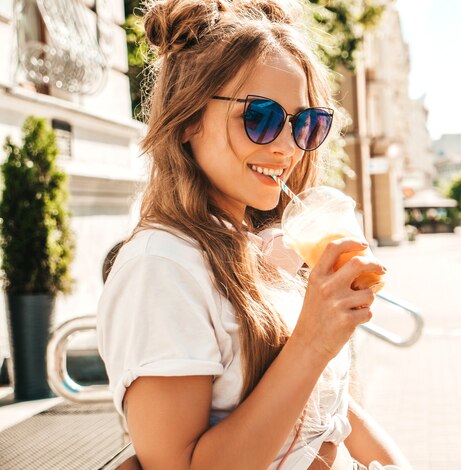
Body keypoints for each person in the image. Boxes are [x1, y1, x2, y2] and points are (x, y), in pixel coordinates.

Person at [97, 0, 411, 468]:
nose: (287, 148)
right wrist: (311, 341)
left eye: (307, 123)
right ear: (187, 119)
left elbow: (329, 411)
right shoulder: (161, 266)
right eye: (259, 118)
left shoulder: (255, 251)